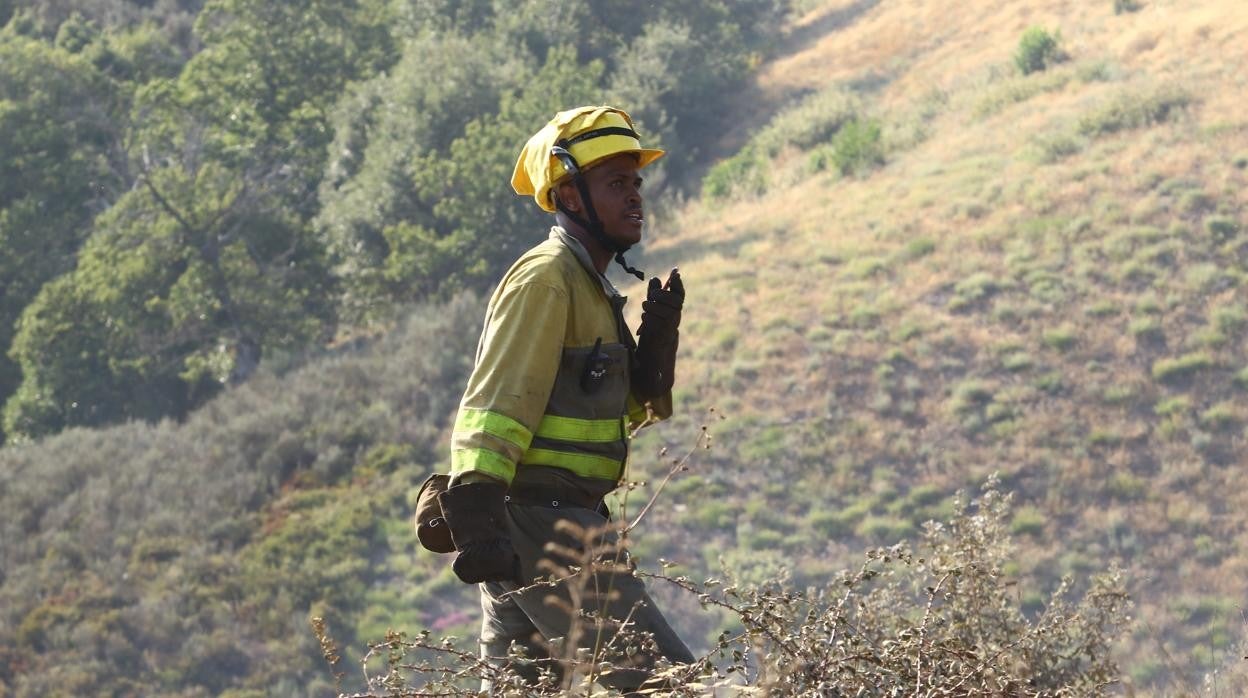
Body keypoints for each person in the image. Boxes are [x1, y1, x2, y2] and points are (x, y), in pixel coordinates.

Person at [434, 105, 693, 692]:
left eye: (636, 183)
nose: (635, 198)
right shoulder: (546, 279)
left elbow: (611, 417)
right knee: (667, 687)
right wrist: (476, 509)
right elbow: (496, 402)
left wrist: (653, 361)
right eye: (615, 183)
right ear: (570, 197)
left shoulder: (588, 287)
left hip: (532, 525)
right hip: (545, 527)